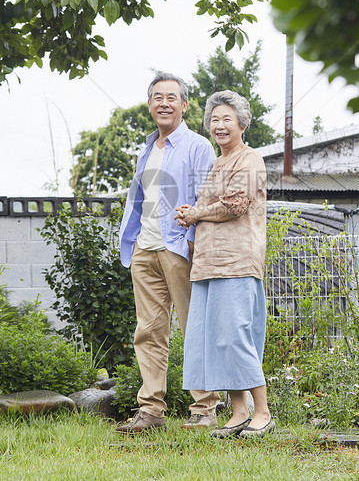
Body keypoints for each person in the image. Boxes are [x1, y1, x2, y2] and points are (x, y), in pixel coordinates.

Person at [116, 72, 221, 434]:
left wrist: (193, 241)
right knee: (148, 332)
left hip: (180, 248)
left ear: (185, 105)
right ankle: (151, 411)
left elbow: (206, 199)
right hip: (144, 249)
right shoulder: (146, 148)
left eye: (171, 97)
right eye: (157, 97)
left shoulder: (197, 146)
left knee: (194, 328)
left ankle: (205, 409)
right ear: (149, 105)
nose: (164, 103)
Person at [174, 90, 274, 438]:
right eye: (214, 119)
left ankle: (262, 411)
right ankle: (239, 412)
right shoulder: (218, 164)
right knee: (219, 339)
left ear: (242, 123)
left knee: (236, 336)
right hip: (208, 264)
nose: (219, 125)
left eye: (226, 119)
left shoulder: (250, 159)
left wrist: (195, 213)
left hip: (237, 262)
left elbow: (235, 205)